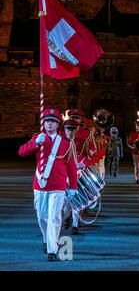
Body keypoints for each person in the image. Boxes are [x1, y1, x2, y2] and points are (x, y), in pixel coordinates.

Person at [18, 109, 78, 261]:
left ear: (57, 125)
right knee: (42, 217)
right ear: (43, 123)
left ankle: (52, 249)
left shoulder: (65, 143)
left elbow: (71, 166)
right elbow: (21, 152)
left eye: (52, 121)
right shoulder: (38, 138)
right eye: (47, 121)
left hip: (58, 184)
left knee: (54, 218)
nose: (49, 123)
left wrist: (73, 187)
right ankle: (46, 239)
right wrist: (34, 143)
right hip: (40, 184)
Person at [61, 119, 83, 235]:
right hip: (63, 177)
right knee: (66, 204)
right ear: (64, 130)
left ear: (76, 130)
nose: (70, 132)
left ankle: (75, 225)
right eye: (68, 130)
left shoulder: (75, 142)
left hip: (75, 175)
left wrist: (79, 165)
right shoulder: (61, 142)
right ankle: (66, 218)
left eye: (73, 130)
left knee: (76, 202)